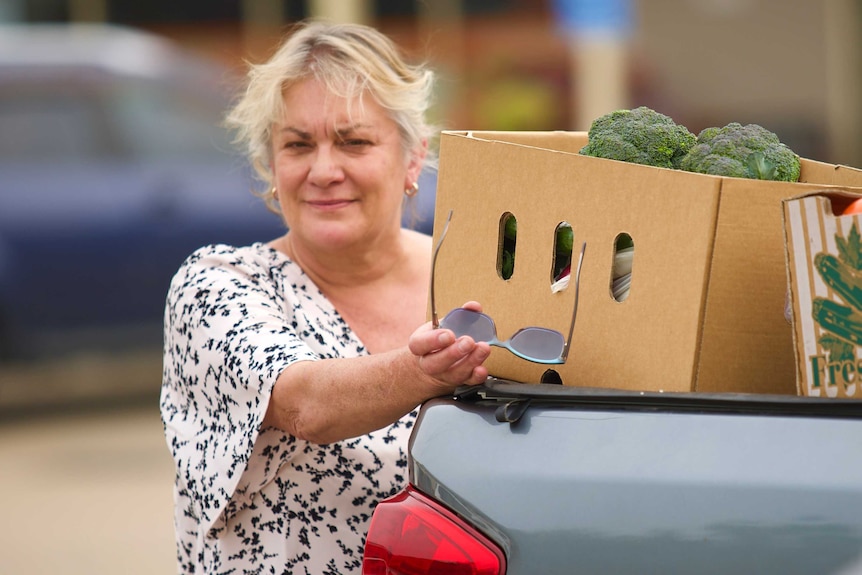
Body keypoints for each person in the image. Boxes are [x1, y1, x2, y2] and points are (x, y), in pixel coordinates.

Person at [159, 20, 491, 574]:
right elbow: (306, 405)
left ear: (413, 159)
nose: (324, 170)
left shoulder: (477, 278)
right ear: (270, 163)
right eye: (297, 144)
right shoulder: (215, 287)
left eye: (354, 141)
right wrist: (426, 372)